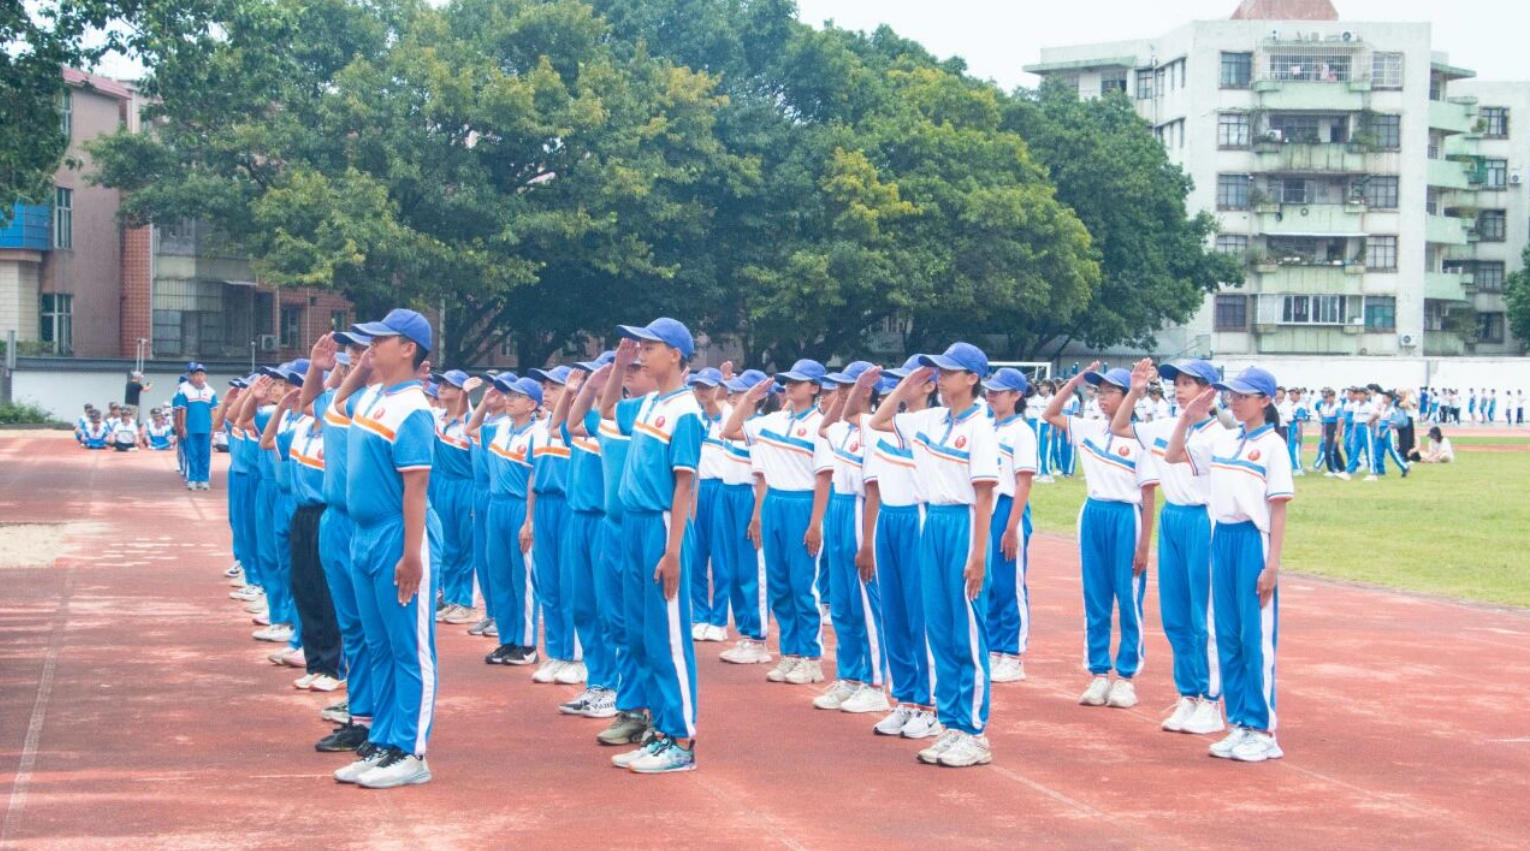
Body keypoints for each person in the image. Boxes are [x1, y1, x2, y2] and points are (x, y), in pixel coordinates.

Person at [868, 342, 1000, 768]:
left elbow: (985, 497)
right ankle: (952, 725)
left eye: (949, 371)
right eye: (937, 371)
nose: (940, 378)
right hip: (933, 522)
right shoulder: (929, 419)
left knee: (966, 632)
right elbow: (879, 419)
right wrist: (909, 381)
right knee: (939, 629)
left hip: (963, 523)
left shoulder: (980, 426)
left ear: (972, 378)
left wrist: (978, 555)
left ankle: (974, 733)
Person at [329, 308, 443, 789]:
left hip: (398, 534)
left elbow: (416, 488)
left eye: (381, 340)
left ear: (409, 349)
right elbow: (338, 403)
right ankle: (382, 738)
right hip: (363, 535)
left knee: (408, 648)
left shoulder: (414, 408)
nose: (370, 347)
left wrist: (412, 555)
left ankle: (411, 751)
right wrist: (362, 367)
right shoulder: (373, 395)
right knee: (378, 645)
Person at [1168, 366, 1292, 763]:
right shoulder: (1225, 440)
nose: (1234, 402)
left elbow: (1278, 509)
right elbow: (1172, 455)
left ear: (1265, 400)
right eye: (1231, 396)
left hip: (1252, 541)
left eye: (1243, 396)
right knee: (1227, 634)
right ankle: (1240, 722)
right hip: (1220, 537)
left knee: (1254, 636)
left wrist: (1272, 565)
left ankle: (1263, 729)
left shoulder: (1273, 446)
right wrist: (1188, 418)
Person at [601, 320, 705, 774]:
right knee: (641, 635)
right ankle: (658, 731)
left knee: (667, 638)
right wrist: (619, 366)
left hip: (661, 526)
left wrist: (674, 550)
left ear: (676, 354)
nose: (643, 352)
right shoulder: (648, 404)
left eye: (651, 346)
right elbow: (607, 410)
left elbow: (684, 485)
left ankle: (680, 739)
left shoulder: (686, 411)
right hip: (633, 525)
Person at [1111, 358, 1226, 736]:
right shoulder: (1163, 425)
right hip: (1172, 518)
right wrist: (1135, 392)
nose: (1179, 389)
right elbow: (1119, 427)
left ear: (1209, 392)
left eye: (1188, 383)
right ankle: (1188, 694)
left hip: (1202, 519)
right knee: (1175, 616)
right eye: (1176, 383)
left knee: (1203, 616)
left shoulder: (1218, 436)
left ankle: (1211, 700)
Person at [1043, 363, 1159, 710]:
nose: (1102, 398)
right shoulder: (1088, 428)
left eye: (1110, 392)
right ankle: (1098, 672)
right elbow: (1050, 414)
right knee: (1095, 597)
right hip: (1093, 513)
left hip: (1126, 516)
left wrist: (1144, 546)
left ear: (1128, 396)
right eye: (1100, 392)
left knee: (1128, 598)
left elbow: (1149, 495)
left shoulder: (1139, 437)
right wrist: (1074, 383)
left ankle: (1126, 677)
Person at [721, 357, 832, 686]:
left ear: (815, 388)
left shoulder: (820, 426)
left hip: (802, 503)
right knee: (779, 583)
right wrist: (748, 399)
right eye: (788, 381)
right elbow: (729, 430)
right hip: (774, 502)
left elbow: (824, 478)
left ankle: (811, 658)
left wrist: (815, 523)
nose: (790, 386)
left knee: (802, 584)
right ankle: (790, 654)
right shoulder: (771, 420)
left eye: (798, 381)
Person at [304, 332, 379, 753]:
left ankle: (380, 719)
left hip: (365, 520)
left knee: (374, 628)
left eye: (362, 349)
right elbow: (310, 403)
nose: (353, 355)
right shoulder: (338, 402)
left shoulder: (375, 404)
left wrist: (353, 373)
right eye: (350, 349)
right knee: (350, 625)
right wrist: (317, 369)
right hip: (333, 519)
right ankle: (360, 714)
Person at [813, 361, 891, 715]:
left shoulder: (873, 429)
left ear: (868, 392)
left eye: (848, 387)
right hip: (839, 508)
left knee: (865, 604)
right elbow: (824, 427)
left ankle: (874, 682)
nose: (840, 393)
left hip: (861, 510)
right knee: (842, 603)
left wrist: (868, 542)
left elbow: (874, 490)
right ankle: (848, 676)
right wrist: (841, 400)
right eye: (839, 387)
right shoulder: (842, 430)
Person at [551, 353, 619, 719]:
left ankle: (613, 685)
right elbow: (560, 426)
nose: (595, 380)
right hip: (576, 517)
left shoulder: (614, 422)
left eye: (601, 375)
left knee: (607, 608)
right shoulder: (587, 421)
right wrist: (576, 390)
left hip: (603, 521)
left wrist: (593, 391)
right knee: (582, 605)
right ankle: (597, 681)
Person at [473, 374, 542, 667]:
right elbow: (471, 429)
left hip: (518, 507)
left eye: (517, 396)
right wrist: (484, 404)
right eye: (508, 395)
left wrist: (529, 520)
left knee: (521, 577)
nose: (509, 400)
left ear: (532, 404)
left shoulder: (536, 433)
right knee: (498, 573)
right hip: (495, 506)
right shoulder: (499, 427)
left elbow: (534, 478)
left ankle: (527, 644)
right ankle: (507, 638)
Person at [981, 368, 1038, 685]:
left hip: (1007, 508)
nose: (990, 395)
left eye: (998, 391)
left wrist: (1011, 527)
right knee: (989, 582)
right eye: (989, 390)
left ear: (1016, 395)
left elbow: (1024, 483)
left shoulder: (1022, 432)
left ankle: (1013, 654)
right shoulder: (986, 427)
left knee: (1009, 584)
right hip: (986, 508)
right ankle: (994, 648)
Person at [526, 364, 582, 686]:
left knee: (569, 583)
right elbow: (533, 475)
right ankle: (556, 652)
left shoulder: (576, 428)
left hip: (569, 506)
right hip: (545, 507)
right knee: (547, 583)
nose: (545, 393)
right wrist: (529, 519)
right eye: (544, 387)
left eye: (553, 387)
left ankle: (576, 656)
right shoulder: (538, 429)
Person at [429, 370, 478, 625]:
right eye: (441, 383)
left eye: (449, 385)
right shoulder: (436, 418)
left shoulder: (471, 421)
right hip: (443, 485)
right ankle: (450, 597)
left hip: (466, 486)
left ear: (462, 392)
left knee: (467, 545)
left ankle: (466, 601)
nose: (441, 387)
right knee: (448, 544)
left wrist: (467, 397)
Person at [687, 366, 731, 642]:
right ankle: (700, 615)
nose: (702, 391)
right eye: (698, 386)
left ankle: (719, 619)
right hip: (697, 489)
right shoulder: (693, 417)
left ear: (720, 389)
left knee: (721, 556)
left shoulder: (728, 415)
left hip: (721, 489)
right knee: (695, 554)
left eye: (707, 386)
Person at [173, 363, 218, 491]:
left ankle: (204, 480)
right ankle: (192, 479)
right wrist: (183, 426)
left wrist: (213, 428)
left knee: (205, 454)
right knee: (192, 454)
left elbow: (214, 411)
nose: (199, 377)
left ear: (205, 376)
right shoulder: (185, 391)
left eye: (201, 374)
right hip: (191, 428)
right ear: (191, 377)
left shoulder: (211, 392)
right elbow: (183, 410)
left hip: (206, 428)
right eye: (196, 374)